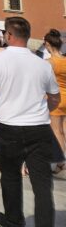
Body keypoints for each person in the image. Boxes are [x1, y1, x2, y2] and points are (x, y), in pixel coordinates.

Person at [0, 16, 60, 227]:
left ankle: (14, 220)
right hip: (39, 128)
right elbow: (54, 97)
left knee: (10, 176)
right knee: (42, 183)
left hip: (9, 127)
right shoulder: (42, 64)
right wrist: (43, 111)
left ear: (8, 35)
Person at [43, 30, 66, 173]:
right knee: (64, 130)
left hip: (55, 99)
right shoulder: (64, 60)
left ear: (48, 44)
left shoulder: (49, 62)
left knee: (56, 131)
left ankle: (61, 161)